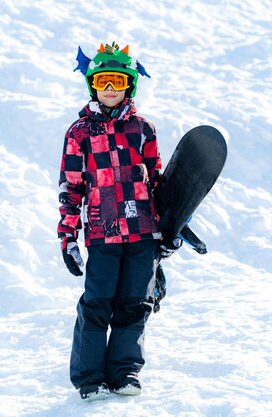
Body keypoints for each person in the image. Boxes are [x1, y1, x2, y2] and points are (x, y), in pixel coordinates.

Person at [57, 42, 181, 401]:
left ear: (129, 85)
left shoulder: (144, 130)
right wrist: (68, 236)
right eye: (103, 81)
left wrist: (170, 228)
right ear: (92, 84)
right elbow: (71, 187)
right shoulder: (79, 132)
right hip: (102, 234)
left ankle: (125, 371)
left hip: (143, 233)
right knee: (97, 303)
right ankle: (90, 377)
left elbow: (159, 183)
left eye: (117, 81)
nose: (110, 89)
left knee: (135, 304)